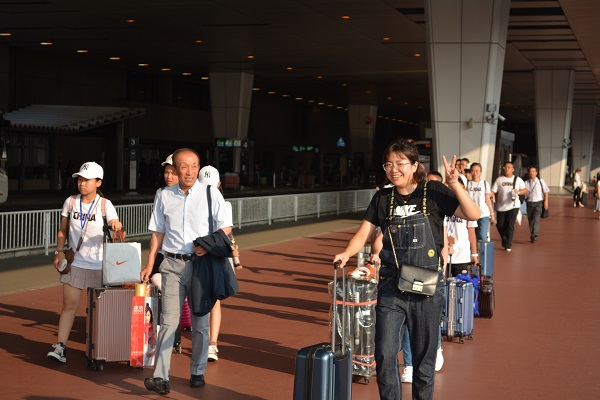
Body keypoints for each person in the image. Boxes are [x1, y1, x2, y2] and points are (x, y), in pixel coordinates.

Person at [333, 139, 480, 400]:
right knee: (385, 352)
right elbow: (363, 233)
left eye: (400, 163)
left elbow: (473, 214)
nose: (393, 169)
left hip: (427, 285)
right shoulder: (382, 198)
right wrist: (347, 252)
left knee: (424, 358)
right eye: (388, 164)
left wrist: (455, 184)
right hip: (391, 284)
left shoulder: (433, 191)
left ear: (414, 166)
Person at [140, 149, 232, 395]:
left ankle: (198, 371)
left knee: (201, 323)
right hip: (171, 265)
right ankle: (161, 377)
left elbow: (226, 226)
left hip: (201, 266)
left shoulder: (211, 194)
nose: (189, 171)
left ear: (199, 168)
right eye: (184, 166)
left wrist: (208, 245)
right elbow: (157, 232)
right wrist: (150, 262)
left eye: (194, 166)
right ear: (175, 169)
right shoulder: (164, 195)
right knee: (169, 321)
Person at [47, 161, 122, 363]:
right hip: (77, 262)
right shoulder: (70, 202)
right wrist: (59, 252)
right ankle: (61, 346)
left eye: (87, 180)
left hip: (100, 265)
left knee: (100, 311)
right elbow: (62, 230)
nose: (82, 183)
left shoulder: (105, 205)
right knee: (69, 305)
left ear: (98, 182)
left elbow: (116, 223)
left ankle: (100, 348)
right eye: (80, 179)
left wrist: (115, 223)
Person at [491, 162, 526, 252]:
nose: (506, 169)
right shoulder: (499, 180)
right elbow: (493, 191)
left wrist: (517, 192)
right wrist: (487, 196)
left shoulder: (517, 179)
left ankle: (508, 244)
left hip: (513, 205)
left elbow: (524, 190)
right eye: (505, 167)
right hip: (501, 206)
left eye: (509, 167)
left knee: (510, 225)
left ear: (513, 169)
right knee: (500, 225)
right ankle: (505, 239)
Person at [466, 162, 495, 242]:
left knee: (482, 236)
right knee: (472, 237)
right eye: (473, 171)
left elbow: (488, 200)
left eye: (477, 171)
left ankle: (482, 253)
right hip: (471, 214)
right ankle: (474, 253)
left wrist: (492, 214)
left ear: (480, 172)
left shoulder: (485, 184)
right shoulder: (468, 184)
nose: (475, 173)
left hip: (483, 214)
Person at [524, 166, 550, 243]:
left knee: (536, 219)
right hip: (529, 203)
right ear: (529, 173)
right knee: (530, 220)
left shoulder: (541, 181)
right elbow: (524, 193)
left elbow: (546, 192)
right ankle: (532, 233)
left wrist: (546, 202)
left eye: (533, 171)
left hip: (538, 203)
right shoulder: (526, 183)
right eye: (530, 172)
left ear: (536, 173)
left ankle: (534, 234)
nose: (532, 173)